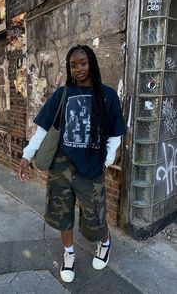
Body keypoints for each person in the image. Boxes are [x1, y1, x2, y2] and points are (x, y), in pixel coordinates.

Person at [18, 45, 126, 283]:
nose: (78, 69)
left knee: (95, 215)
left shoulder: (107, 95)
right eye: (73, 65)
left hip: (91, 168)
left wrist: (105, 161)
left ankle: (105, 243)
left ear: (92, 64)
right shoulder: (62, 94)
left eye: (83, 63)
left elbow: (116, 134)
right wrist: (27, 157)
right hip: (61, 167)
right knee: (62, 215)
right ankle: (68, 254)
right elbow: (43, 129)